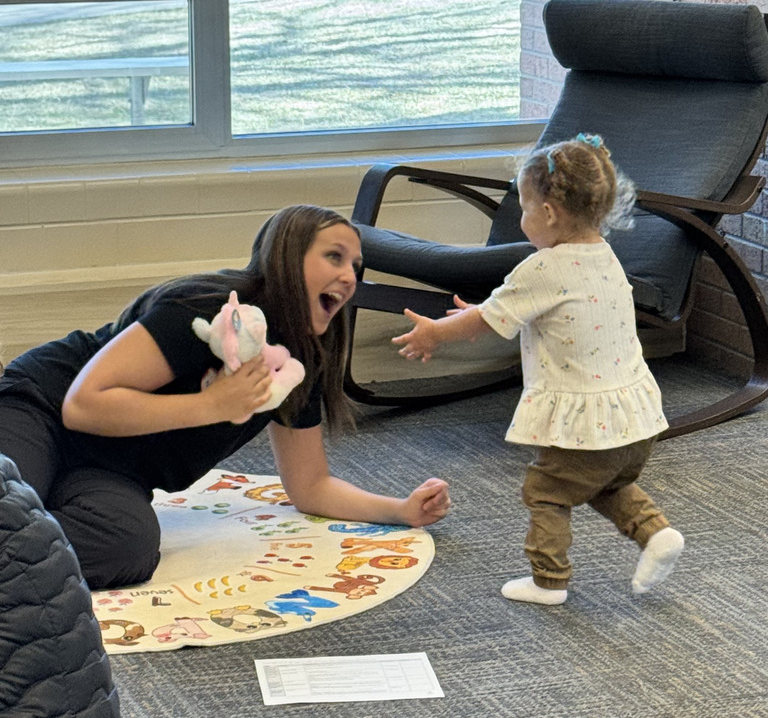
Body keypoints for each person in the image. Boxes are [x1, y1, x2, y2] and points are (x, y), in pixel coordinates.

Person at [0, 204, 450, 590]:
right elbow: (82, 406)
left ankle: (20, 539)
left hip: (108, 470)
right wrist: (212, 406)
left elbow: (310, 486)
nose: (349, 276)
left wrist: (399, 511)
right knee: (8, 507)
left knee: (129, 547)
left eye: (356, 265)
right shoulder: (204, 308)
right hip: (39, 409)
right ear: (286, 257)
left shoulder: (296, 365)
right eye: (334, 257)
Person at [392, 134, 684, 606]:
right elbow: (521, 310)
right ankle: (655, 533)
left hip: (587, 423)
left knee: (547, 491)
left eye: (525, 209)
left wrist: (435, 333)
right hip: (636, 420)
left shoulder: (542, 266)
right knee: (606, 482)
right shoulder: (606, 257)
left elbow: (484, 323)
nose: (522, 220)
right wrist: (484, 311)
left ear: (548, 214)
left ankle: (549, 581)